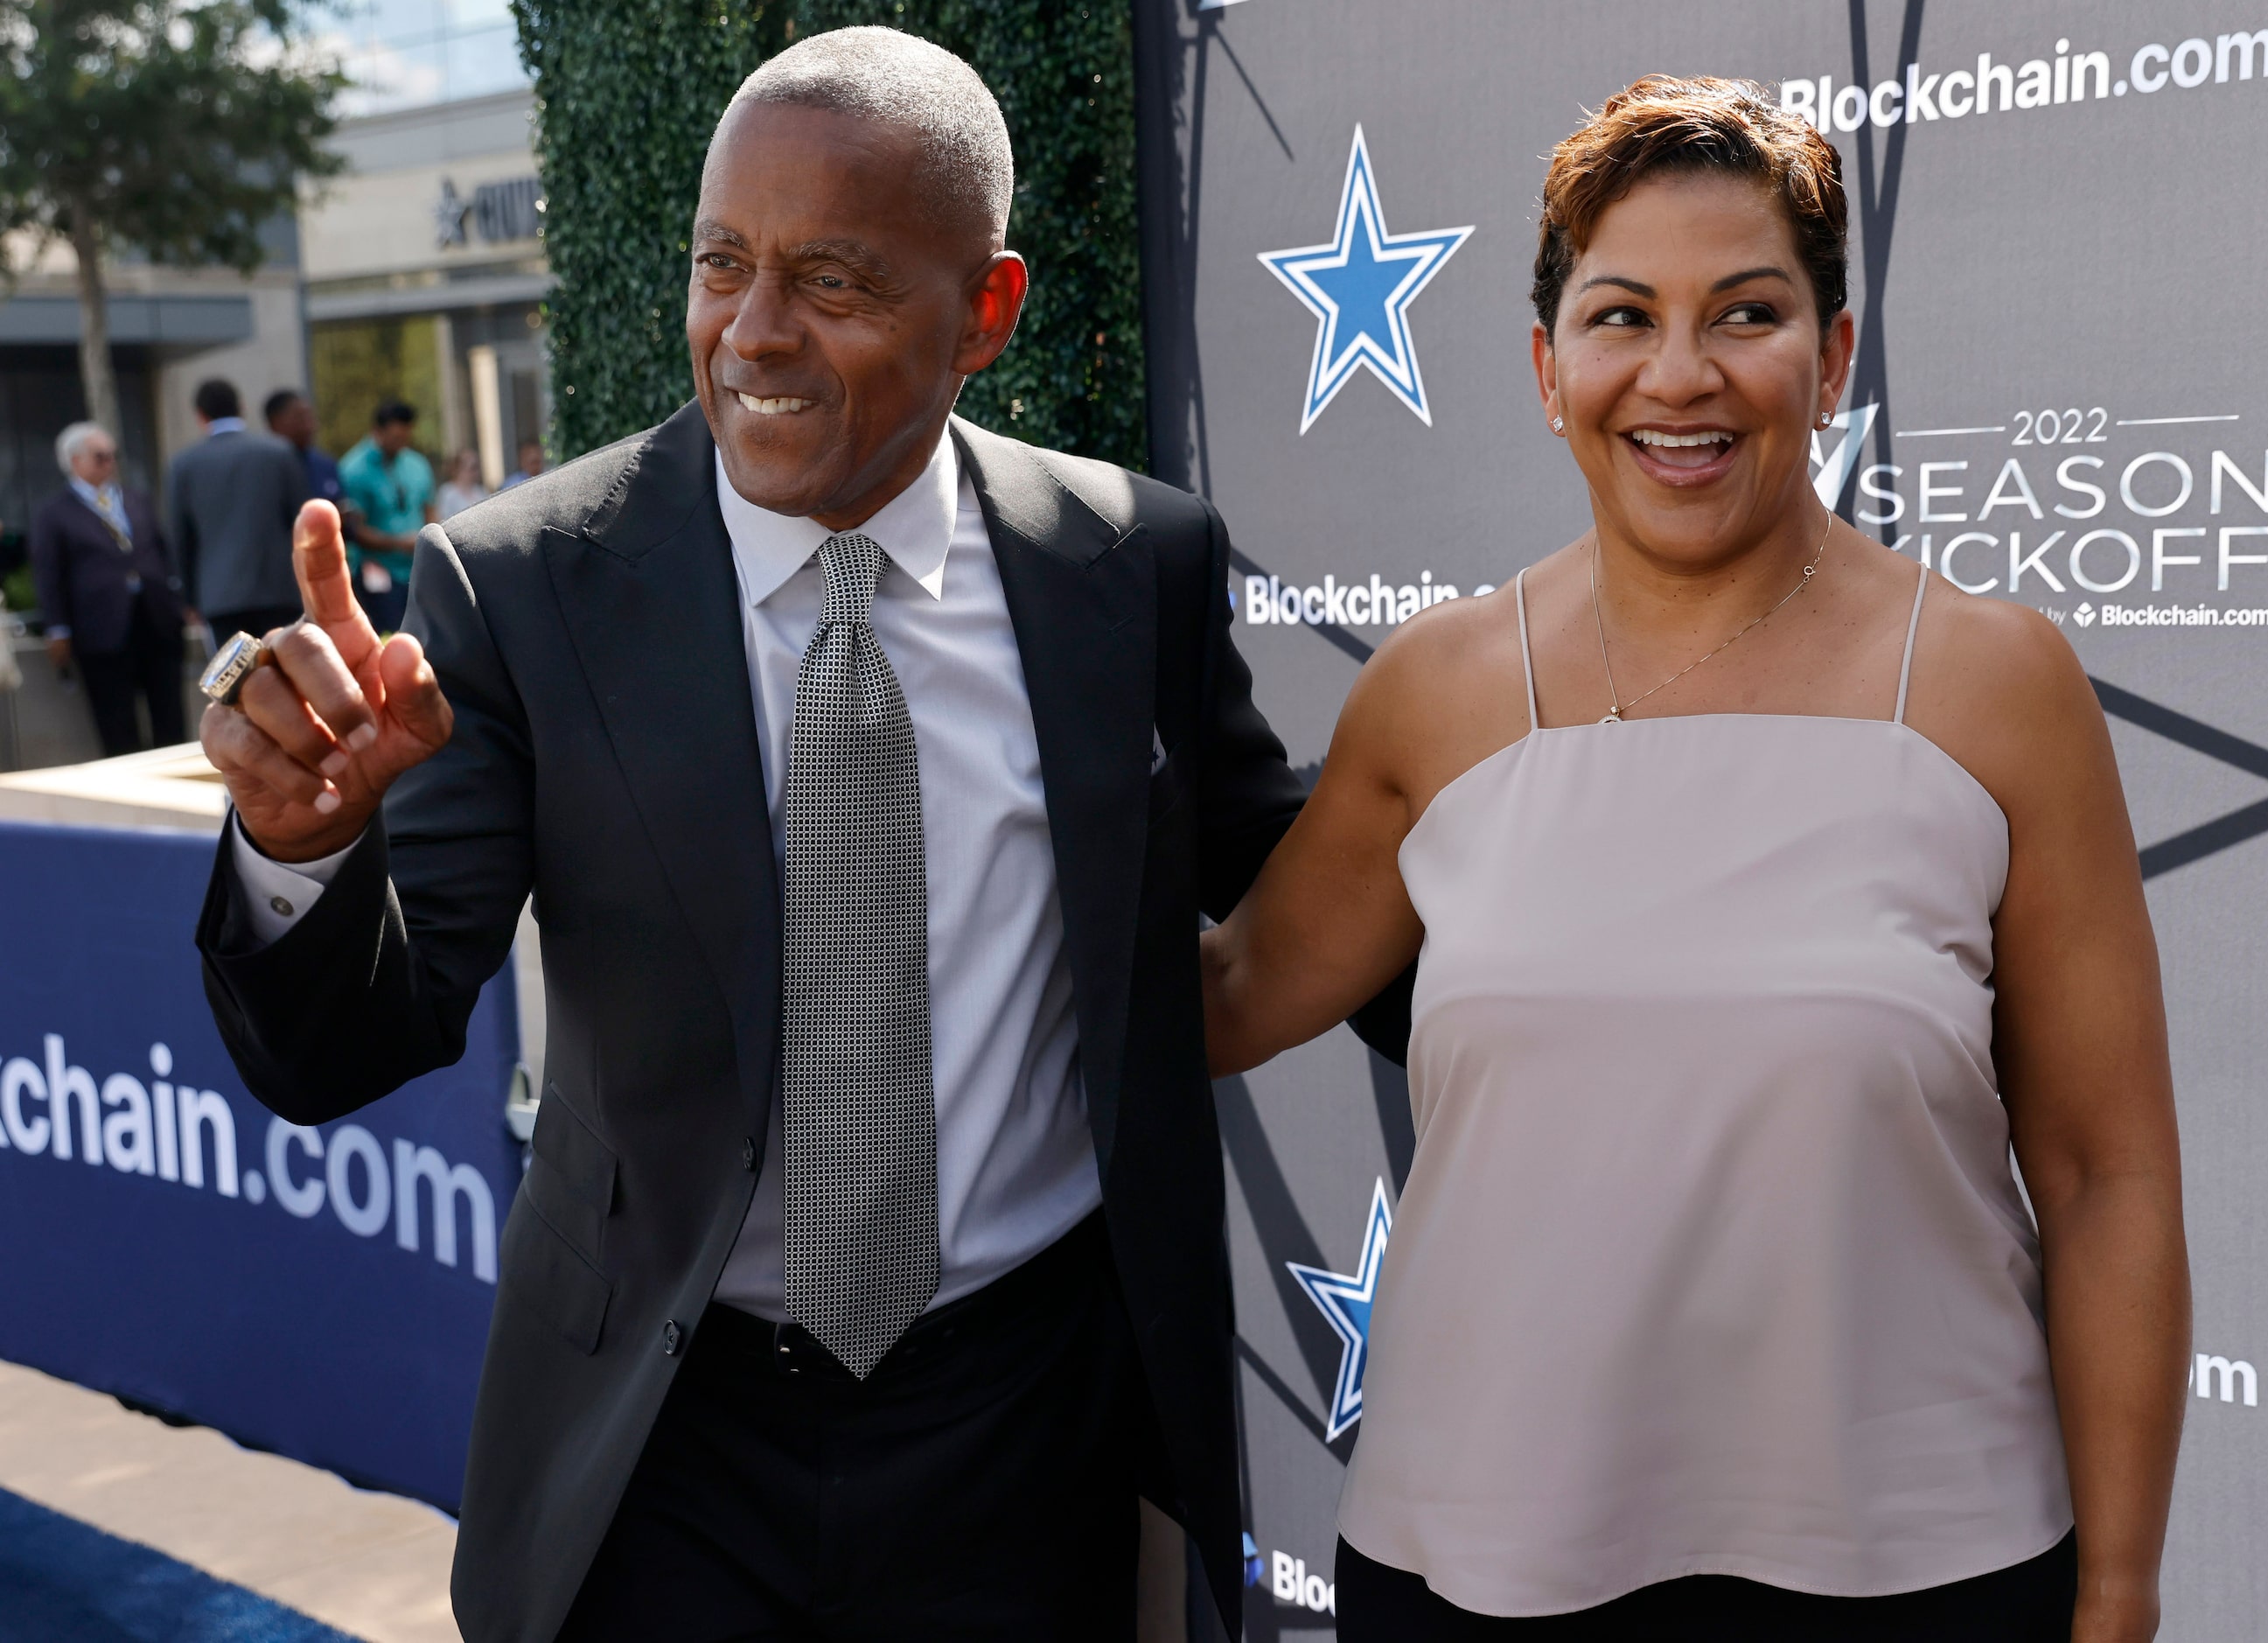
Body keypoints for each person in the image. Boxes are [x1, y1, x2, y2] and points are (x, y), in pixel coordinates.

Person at [192, 28, 1399, 1643]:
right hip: (663, 1451)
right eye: (722, 264)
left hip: (1025, 1430)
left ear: (987, 310)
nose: (751, 332)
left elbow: (1300, 881)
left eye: (830, 278)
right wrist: (304, 853)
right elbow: (357, 1038)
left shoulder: (1130, 564)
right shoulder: (526, 585)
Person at [1201, 77, 2190, 1643]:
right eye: (1619, 317)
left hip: (1923, 1567)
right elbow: (1229, 992)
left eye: (1745, 312)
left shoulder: (1997, 682)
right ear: (1545, 368)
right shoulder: (1434, 692)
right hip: (1480, 1561)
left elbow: (2104, 1173)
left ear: (1834, 353)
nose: (1679, 374)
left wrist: (2120, 1592)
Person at [31, 423, 192, 755]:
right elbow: (50, 575)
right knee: (117, 726)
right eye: (100, 457)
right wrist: (58, 628)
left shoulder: (136, 499)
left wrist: (181, 605)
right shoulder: (55, 513)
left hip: (155, 620)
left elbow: (163, 553)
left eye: (113, 456)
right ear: (75, 461)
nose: (110, 463)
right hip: (101, 631)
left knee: (170, 718)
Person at [164, 379, 311, 647]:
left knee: (233, 682)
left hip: (220, 596)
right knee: (286, 674)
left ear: (200, 415)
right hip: (279, 590)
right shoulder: (279, 452)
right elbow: (302, 521)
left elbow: (180, 537)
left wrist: (188, 599)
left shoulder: (183, 464)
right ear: (241, 407)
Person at [336, 401, 433, 631]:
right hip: (377, 571)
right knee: (389, 635)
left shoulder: (416, 464)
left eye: (406, 438)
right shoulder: (354, 470)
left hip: (416, 570)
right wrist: (398, 543)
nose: (401, 445)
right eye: (396, 438)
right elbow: (354, 530)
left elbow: (430, 508)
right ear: (377, 432)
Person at [264, 388, 346, 515]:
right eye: (300, 418)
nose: (309, 426)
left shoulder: (326, 464)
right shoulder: (264, 470)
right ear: (274, 423)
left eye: (310, 417)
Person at [435, 449, 490, 521]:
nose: (477, 472)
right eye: (473, 468)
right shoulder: (447, 492)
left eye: (477, 467)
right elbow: (441, 518)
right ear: (459, 468)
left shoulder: (481, 491)